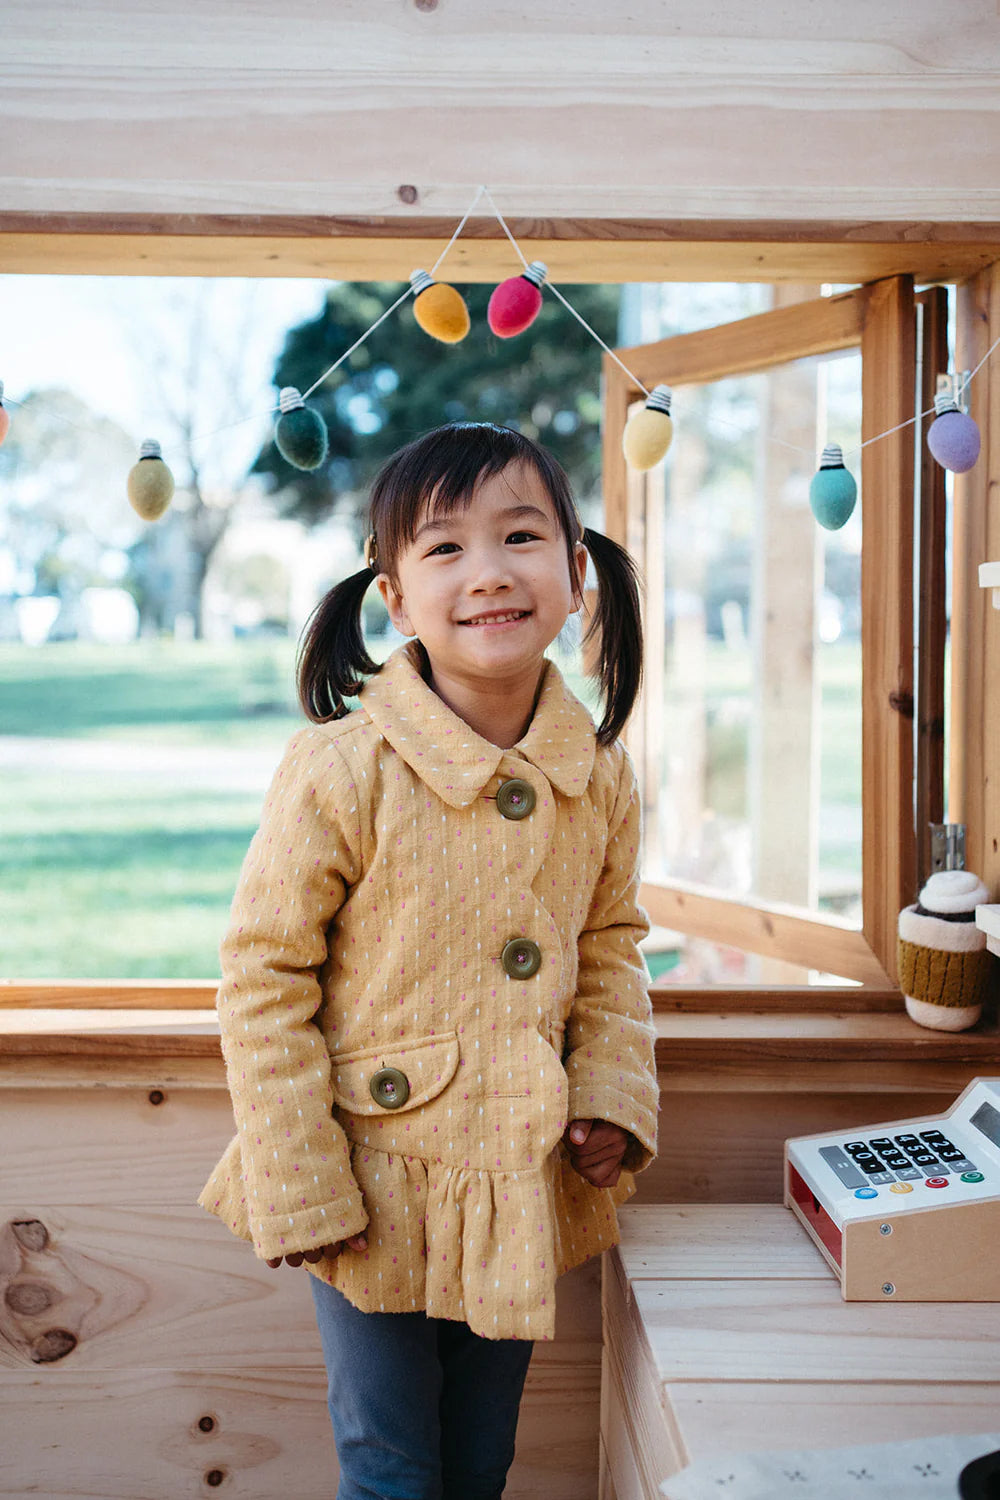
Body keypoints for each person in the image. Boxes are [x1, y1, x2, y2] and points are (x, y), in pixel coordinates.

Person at [197, 422, 659, 1500]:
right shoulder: (340, 769)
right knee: (392, 1469)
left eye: (520, 536)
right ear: (395, 597)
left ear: (576, 572)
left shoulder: (598, 775)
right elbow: (262, 975)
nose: (488, 572)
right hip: (367, 1188)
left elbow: (610, 945)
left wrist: (608, 1095)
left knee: (478, 1461)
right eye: (444, 548)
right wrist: (300, 1180)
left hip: (519, 1175)